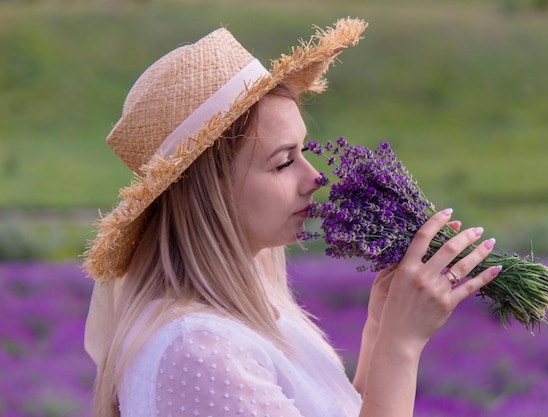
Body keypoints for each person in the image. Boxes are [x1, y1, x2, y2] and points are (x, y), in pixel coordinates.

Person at [83, 18, 502, 417]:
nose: (315, 176)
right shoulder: (196, 349)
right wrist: (402, 344)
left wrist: (378, 331)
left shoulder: (251, 309)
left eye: (303, 151)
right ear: (210, 194)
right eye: (283, 162)